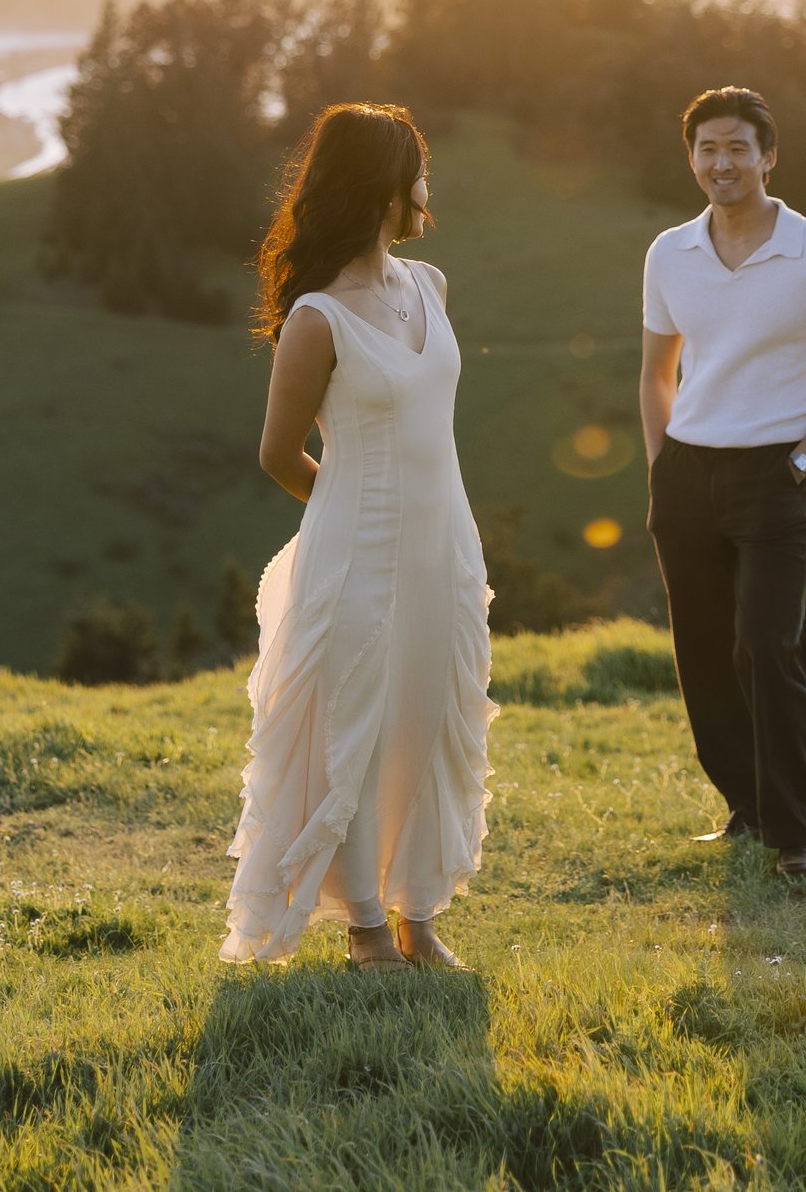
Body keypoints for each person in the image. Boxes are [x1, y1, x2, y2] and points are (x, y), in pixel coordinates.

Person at [221, 102, 496, 970]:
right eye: (418, 167)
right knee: (356, 731)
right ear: (383, 185)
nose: (429, 186)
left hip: (444, 547)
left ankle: (419, 913)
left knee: (426, 721)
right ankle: (367, 926)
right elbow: (276, 452)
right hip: (357, 554)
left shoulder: (432, 285)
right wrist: (351, 511)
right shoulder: (316, 319)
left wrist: (420, 522)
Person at [639, 86, 806, 876]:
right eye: (707, 147)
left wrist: (803, 462)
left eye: (739, 147)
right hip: (686, 472)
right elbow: (654, 371)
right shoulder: (669, 252)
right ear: (692, 157)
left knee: (769, 646)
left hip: (776, 472)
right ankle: (746, 806)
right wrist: (661, 464)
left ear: (769, 156)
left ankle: (798, 834)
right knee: (703, 652)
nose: (722, 162)